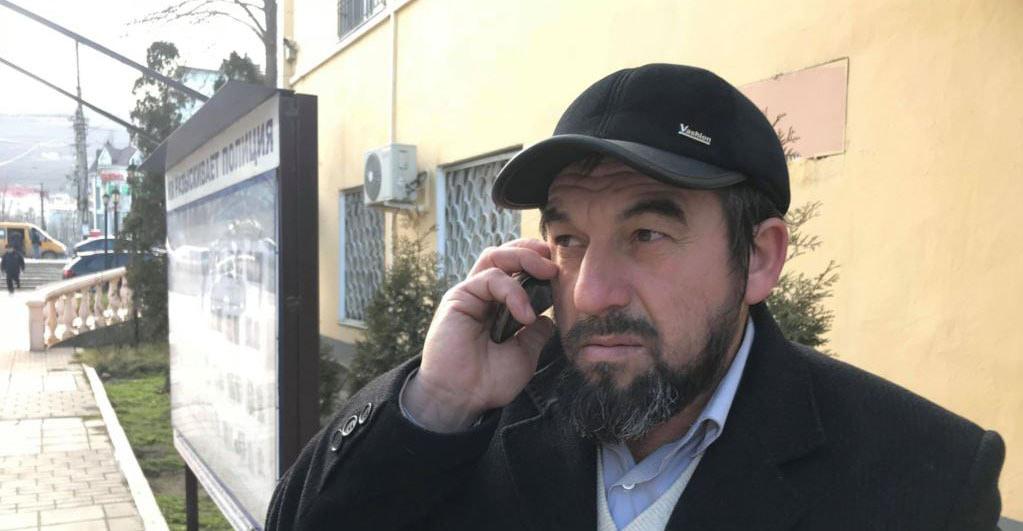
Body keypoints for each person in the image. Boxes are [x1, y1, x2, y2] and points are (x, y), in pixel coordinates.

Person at [266, 65, 1004, 530]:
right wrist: (436, 401)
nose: (590, 292)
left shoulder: (925, 477)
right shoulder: (480, 413)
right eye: (568, 238)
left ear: (757, 257)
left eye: (646, 234)